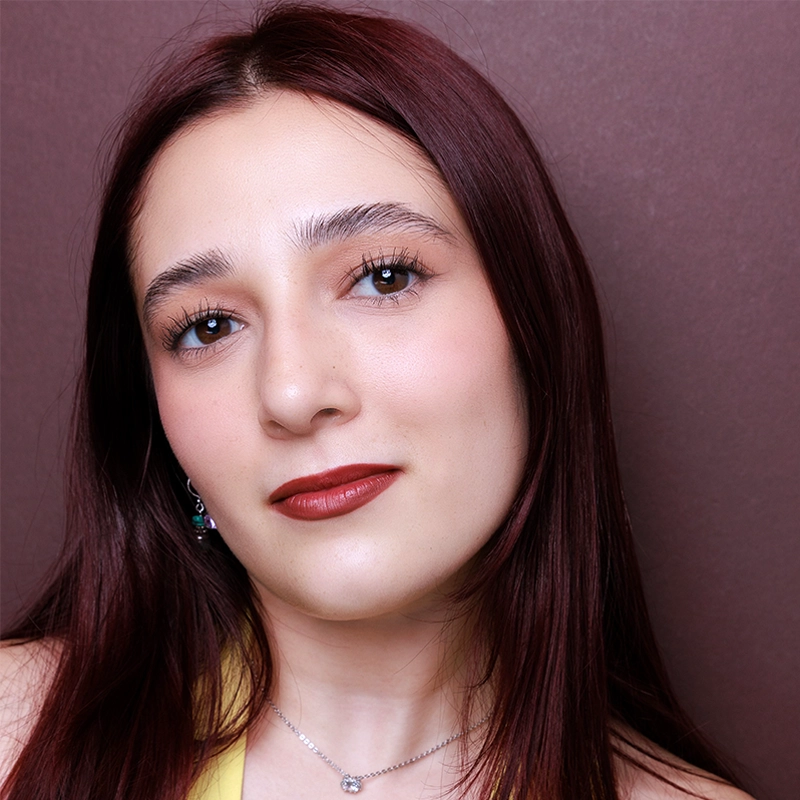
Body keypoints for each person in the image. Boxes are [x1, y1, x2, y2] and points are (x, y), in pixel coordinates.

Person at [0, 4, 755, 799]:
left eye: (384, 277)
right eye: (209, 326)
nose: (292, 393)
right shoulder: (17, 737)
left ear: (533, 325)